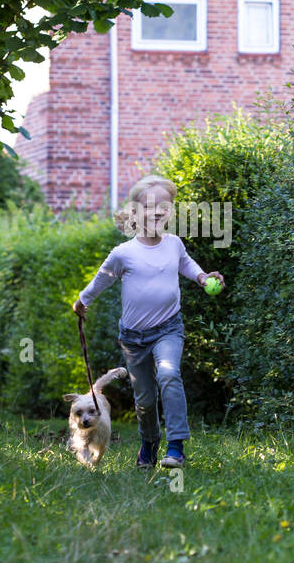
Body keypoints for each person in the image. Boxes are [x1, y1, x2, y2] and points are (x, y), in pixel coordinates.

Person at [73, 175, 224, 469]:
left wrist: (204, 277)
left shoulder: (174, 244)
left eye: (164, 206)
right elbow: (100, 280)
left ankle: (176, 446)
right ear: (135, 212)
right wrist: (82, 302)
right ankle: (149, 443)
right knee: (144, 399)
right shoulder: (123, 253)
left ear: (171, 212)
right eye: (150, 206)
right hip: (133, 338)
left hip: (169, 328)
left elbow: (186, 265)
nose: (158, 211)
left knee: (168, 374)